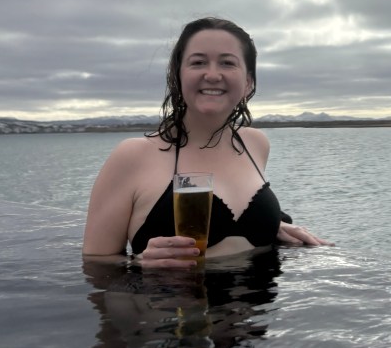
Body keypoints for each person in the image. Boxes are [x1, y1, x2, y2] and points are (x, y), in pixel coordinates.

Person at [83, 16, 329, 267]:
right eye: (198, 62)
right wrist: (138, 264)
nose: (212, 75)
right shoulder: (133, 156)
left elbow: (238, 229)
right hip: (169, 293)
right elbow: (95, 262)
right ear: (178, 76)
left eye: (227, 63)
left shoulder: (255, 143)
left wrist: (272, 223)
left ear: (248, 82)